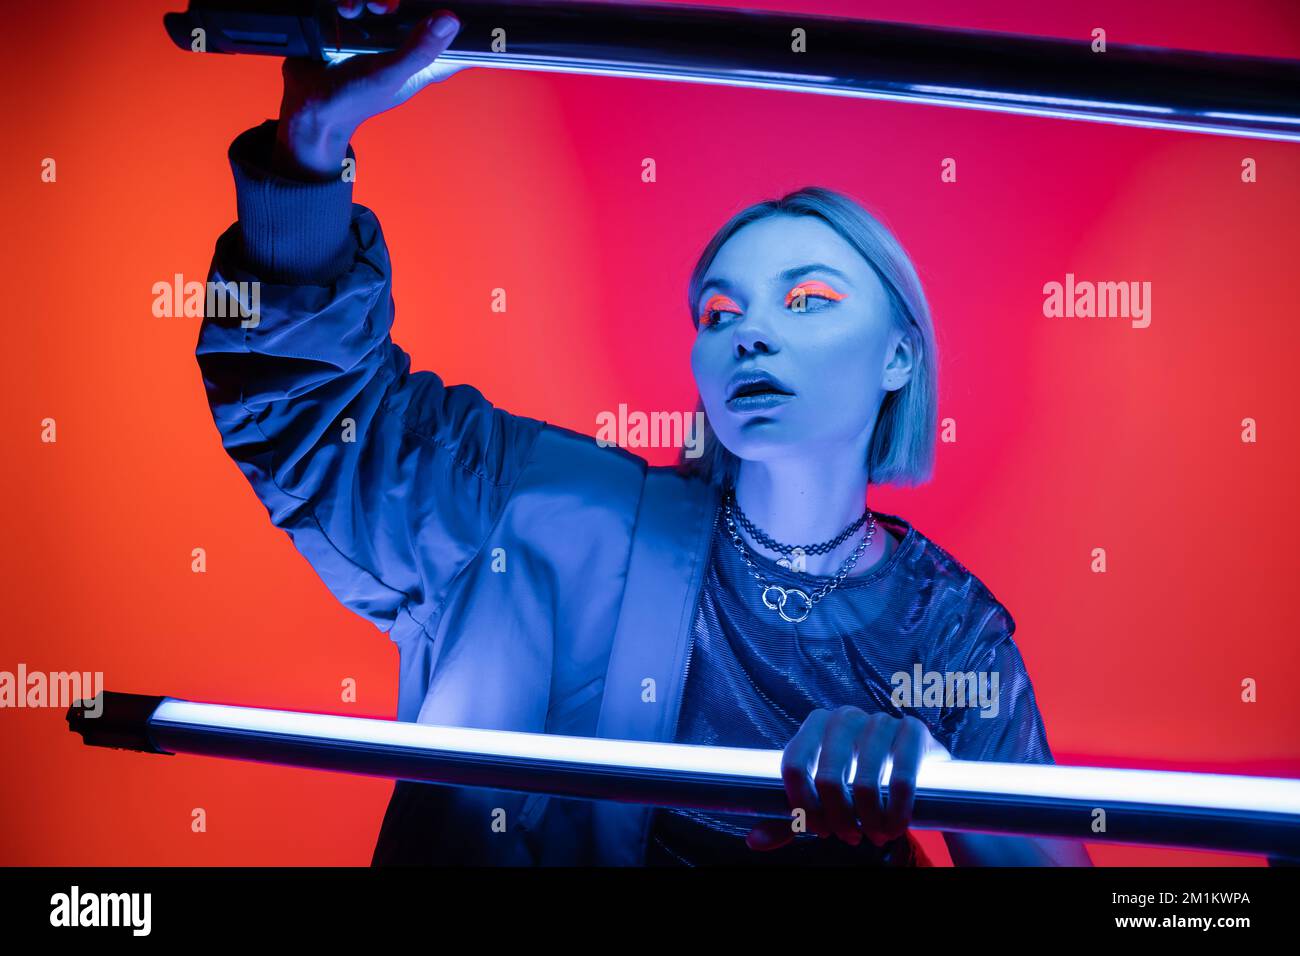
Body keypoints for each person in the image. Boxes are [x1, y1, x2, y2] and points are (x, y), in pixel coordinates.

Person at [197, 1, 1092, 866]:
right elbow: (315, 422)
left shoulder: (949, 634)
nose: (750, 331)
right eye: (718, 310)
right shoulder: (540, 512)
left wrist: (938, 784)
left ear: (901, 355)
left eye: (809, 300)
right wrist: (311, 152)